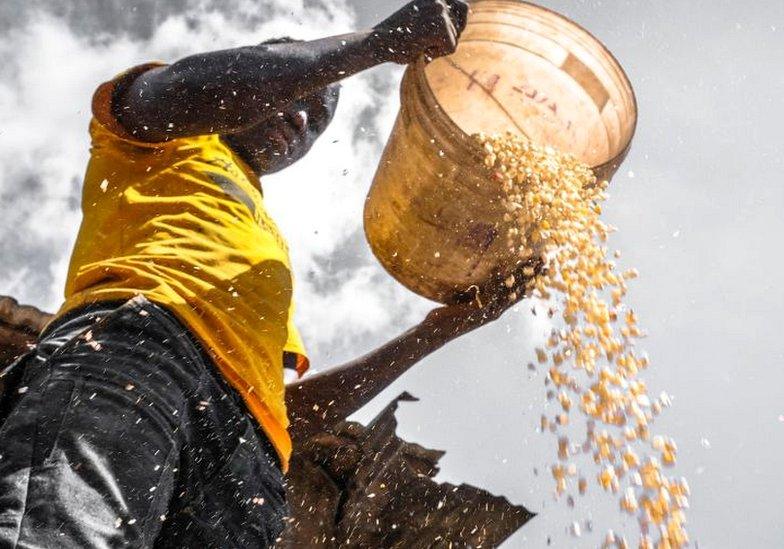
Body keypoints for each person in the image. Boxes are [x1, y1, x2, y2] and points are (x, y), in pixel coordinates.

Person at [0, 1, 534, 546]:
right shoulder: (162, 134)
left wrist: (431, 334)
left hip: (247, 465)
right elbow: (192, 88)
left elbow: (281, 414)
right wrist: (375, 45)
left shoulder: (269, 251)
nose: (303, 119)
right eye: (296, 95)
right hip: (141, 354)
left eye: (318, 121)